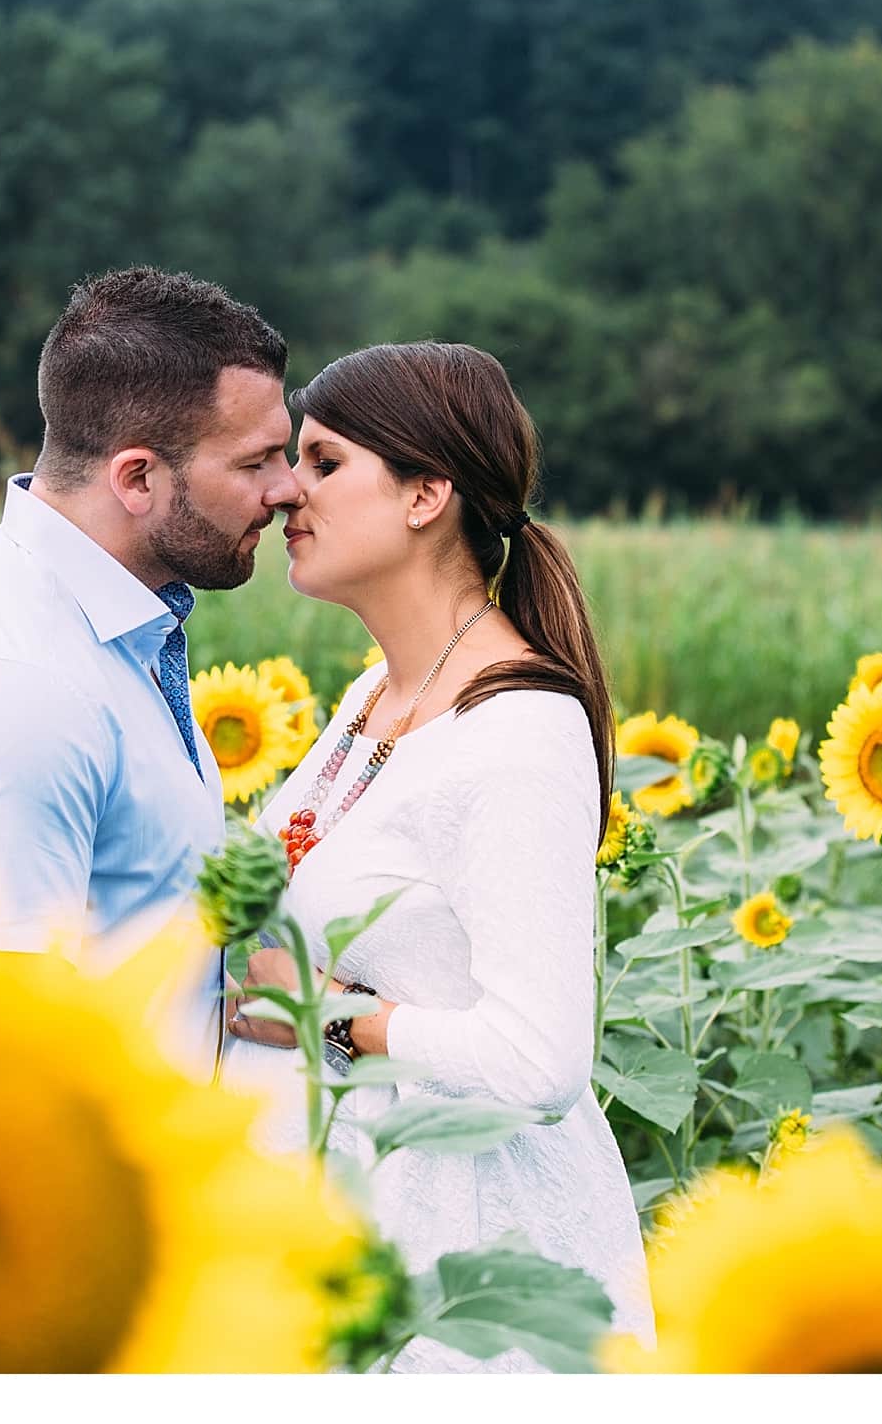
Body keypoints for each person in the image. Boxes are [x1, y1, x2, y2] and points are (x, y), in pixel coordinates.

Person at [221, 341, 656, 1371]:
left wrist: (329, 1016)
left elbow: (537, 1062)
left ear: (425, 494)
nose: (288, 491)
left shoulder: (518, 731)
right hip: (343, 1225)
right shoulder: (372, 698)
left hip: (459, 1263)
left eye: (326, 464)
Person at [0, 266, 299, 1077]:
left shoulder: (85, 626)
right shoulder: (15, 687)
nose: (287, 490)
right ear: (137, 478)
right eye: (256, 462)